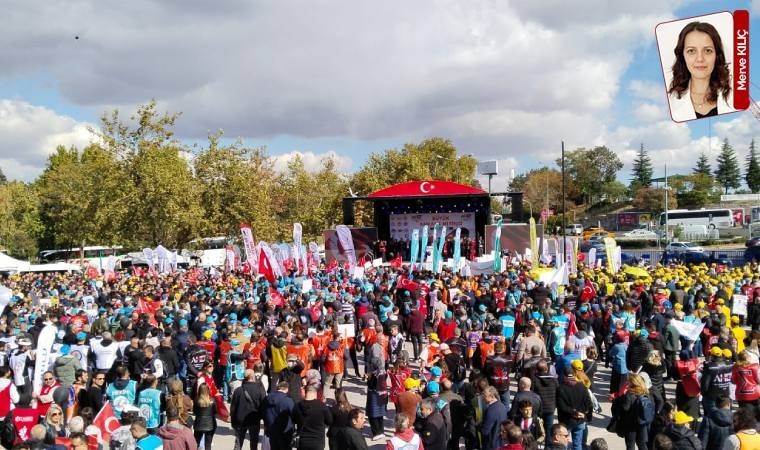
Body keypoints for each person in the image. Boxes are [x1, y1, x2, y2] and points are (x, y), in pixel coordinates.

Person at [667, 21, 734, 121]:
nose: (700, 59)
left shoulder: (736, 94)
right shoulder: (670, 102)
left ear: (717, 55)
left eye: (707, 50)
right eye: (691, 51)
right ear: (682, 56)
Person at [612, 373, 654, 450]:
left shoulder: (629, 394)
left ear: (633, 382)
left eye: (628, 382)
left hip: (630, 425)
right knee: (642, 445)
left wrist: (620, 398)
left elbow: (625, 409)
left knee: (630, 446)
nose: (627, 383)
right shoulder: (645, 392)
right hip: (642, 424)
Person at [556, 366, 592, 450]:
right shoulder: (581, 386)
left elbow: (562, 406)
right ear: (574, 375)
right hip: (580, 420)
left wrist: (574, 412)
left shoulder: (560, 388)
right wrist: (581, 413)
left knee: (563, 444)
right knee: (577, 444)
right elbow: (588, 403)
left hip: (566, 421)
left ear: (564, 376)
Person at [230, 369, 266, 450]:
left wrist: (233, 422)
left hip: (240, 420)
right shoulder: (259, 390)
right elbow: (263, 406)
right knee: (254, 444)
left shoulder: (238, 391)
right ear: (253, 377)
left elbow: (233, 408)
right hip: (254, 419)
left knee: (238, 443)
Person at [293, 385, 333, 450]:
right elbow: (329, 421)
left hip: (303, 441)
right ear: (315, 393)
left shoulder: (297, 406)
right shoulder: (322, 406)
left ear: (306, 393)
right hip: (318, 442)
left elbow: (294, 420)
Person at [263, 380, 295, 450]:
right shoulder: (288, 400)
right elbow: (294, 415)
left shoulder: (267, 398)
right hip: (284, 431)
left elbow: (263, 412)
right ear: (286, 389)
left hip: (271, 430)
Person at [192, 383, 217, 450]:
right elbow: (215, 412)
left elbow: (194, 412)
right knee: (208, 445)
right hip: (209, 424)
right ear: (208, 390)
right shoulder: (212, 401)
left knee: (196, 443)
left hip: (198, 424)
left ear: (199, 390)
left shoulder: (196, 400)